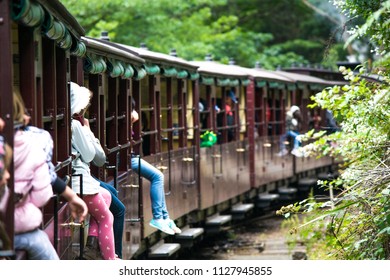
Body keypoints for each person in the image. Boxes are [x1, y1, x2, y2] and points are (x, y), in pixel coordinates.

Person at [70, 82, 118, 260]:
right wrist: (88, 133)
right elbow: (91, 156)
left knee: (106, 196)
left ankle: (91, 247)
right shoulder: (75, 125)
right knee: (107, 218)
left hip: (81, 180)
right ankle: (111, 259)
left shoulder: (72, 124)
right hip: (80, 182)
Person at [130, 100, 181, 235]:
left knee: (158, 177)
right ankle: (159, 217)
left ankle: (164, 217)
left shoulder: (127, 122)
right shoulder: (123, 122)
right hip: (128, 159)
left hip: (131, 157)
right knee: (158, 176)